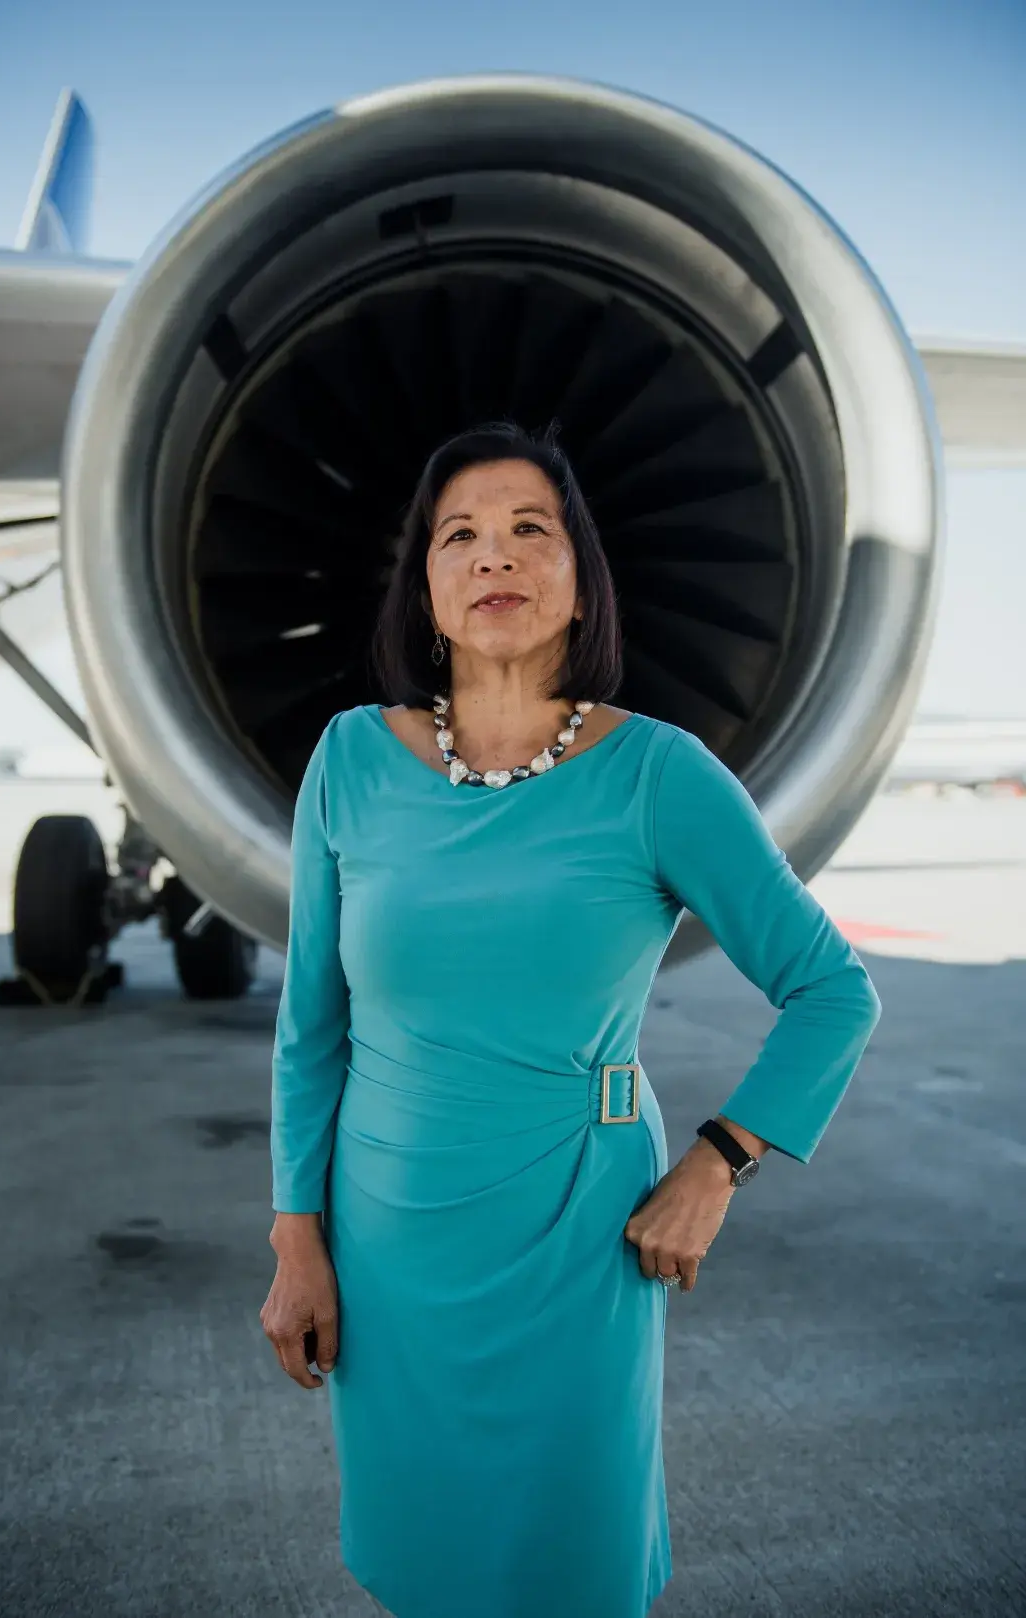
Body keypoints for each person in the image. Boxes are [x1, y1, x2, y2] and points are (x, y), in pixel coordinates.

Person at [259, 420, 882, 1618]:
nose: (494, 555)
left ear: (579, 578)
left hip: (576, 1236)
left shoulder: (662, 773)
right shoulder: (348, 761)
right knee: (419, 1559)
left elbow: (832, 990)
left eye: (527, 530)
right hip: (386, 1244)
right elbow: (310, 1029)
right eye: (461, 536)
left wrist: (722, 1160)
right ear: (429, 588)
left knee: (570, 1565)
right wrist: (296, 1239)